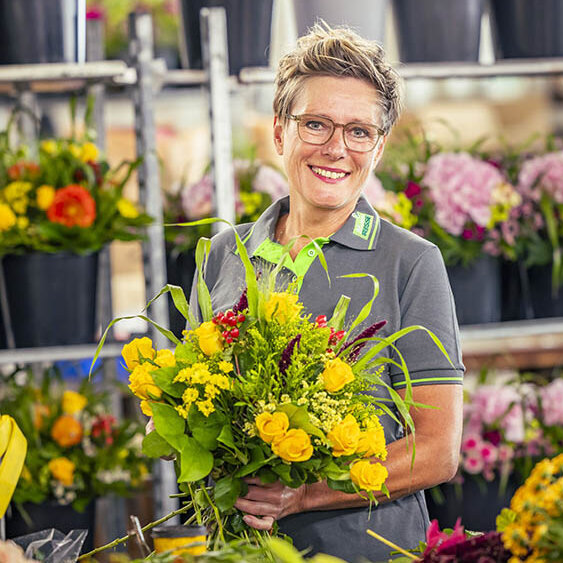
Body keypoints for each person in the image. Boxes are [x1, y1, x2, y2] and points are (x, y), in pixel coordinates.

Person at [196, 24, 464, 560]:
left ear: (379, 147)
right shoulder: (225, 254)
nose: (336, 149)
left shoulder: (410, 263)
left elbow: (436, 451)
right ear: (279, 132)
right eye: (315, 124)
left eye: (359, 132)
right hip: (235, 549)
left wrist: (301, 497)